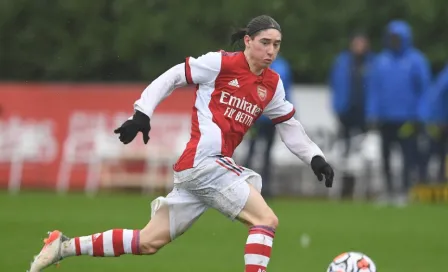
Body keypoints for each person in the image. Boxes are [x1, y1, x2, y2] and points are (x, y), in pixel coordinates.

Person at [28, 15, 334, 272]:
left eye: (276, 45)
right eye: (265, 42)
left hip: (202, 171)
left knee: (148, 242)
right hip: (205, 162)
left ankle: (63, 246)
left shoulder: (272, 84)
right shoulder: (220, 64)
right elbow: (173, 76)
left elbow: (288, 125)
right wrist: (142, 113)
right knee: (266, 219)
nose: (271, 51)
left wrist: (315, 157)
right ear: (248, 41)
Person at [366, 20, 431, 204]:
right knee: (385, 156)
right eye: (391, 37)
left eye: (397, 37)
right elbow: (374, 89)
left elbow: (423, 90)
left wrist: (421, 114)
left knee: (407, 156)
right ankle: (388, 191)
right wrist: (372, 112)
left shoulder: (416, 60)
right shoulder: (381, 61)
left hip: (407, 119)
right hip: (386, 118)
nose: (394, 41)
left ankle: (404, 191)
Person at [243, 54, 293, 198]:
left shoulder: (282, 66)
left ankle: (265, 187)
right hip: (254, 118)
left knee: (267, 153)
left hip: (271, 119)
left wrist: (288, 113)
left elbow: (286, 92)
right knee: (251, 151)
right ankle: (243, 185)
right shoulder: (256, 63)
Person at [330, 31, 374, 156]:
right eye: (356, 43)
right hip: (346, 108)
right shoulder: (341, 61)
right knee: (344, 144)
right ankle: (345, 172)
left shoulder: (372, 62)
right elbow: (335, 84)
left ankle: (364, 171)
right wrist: (337, 106)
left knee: (365, 144)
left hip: (364, 109)